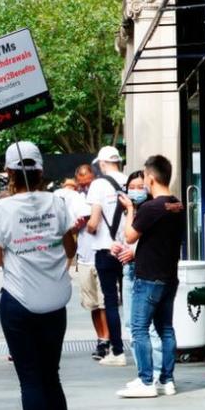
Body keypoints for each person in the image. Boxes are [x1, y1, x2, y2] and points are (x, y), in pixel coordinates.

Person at [0, 142, 80, 410]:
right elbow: (71, 246)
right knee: (51, 375)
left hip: (19, 303)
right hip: (55, 303)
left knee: (30, 380)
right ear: (41, 171)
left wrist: (20, 245)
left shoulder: (3, 209)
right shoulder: (58, 203)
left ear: (9, 173)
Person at [116, 156, 185, 398]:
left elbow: (130, 236)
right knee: (165, 327)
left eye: (144, 178)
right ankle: (166, 380)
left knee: (139, 328)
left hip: (148, 278)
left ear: (151, 178)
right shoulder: (177, 205)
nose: (143, 182)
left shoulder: (151, 207)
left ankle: (146, 381)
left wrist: (130, 210)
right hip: (169, 277)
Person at [111, 171, 163, 382]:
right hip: (128, 270)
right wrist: (115, 247)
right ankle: (144, 374)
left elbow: (155, 243)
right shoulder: (124, 212)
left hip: (146, 272)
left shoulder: (152, 211)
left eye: (139, 186)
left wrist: (134, 252)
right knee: (131, 325)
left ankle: (158, 374)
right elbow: (122, 238)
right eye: (131, 187)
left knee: (149, 327)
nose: (135, 191)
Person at [58, 165, 110, 361]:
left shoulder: (103, 195)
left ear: (95, 178)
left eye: (88, 183)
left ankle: (107, 340)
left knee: (105, 303)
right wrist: (75, 226)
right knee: (93, 304)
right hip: (85, 257)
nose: (85, 187)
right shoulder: (75, 199)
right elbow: (68, 228)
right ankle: (100, 339)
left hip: (103, 254)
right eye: (81, 184)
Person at [86, 146, 128, 367]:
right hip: (128, 250)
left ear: (102, 164)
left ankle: (118, 352)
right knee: (132, 299)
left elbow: (93, 222)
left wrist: (88, 230)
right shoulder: (130, 180)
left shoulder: (98, 184)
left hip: (106, 250)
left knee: (111, 301)